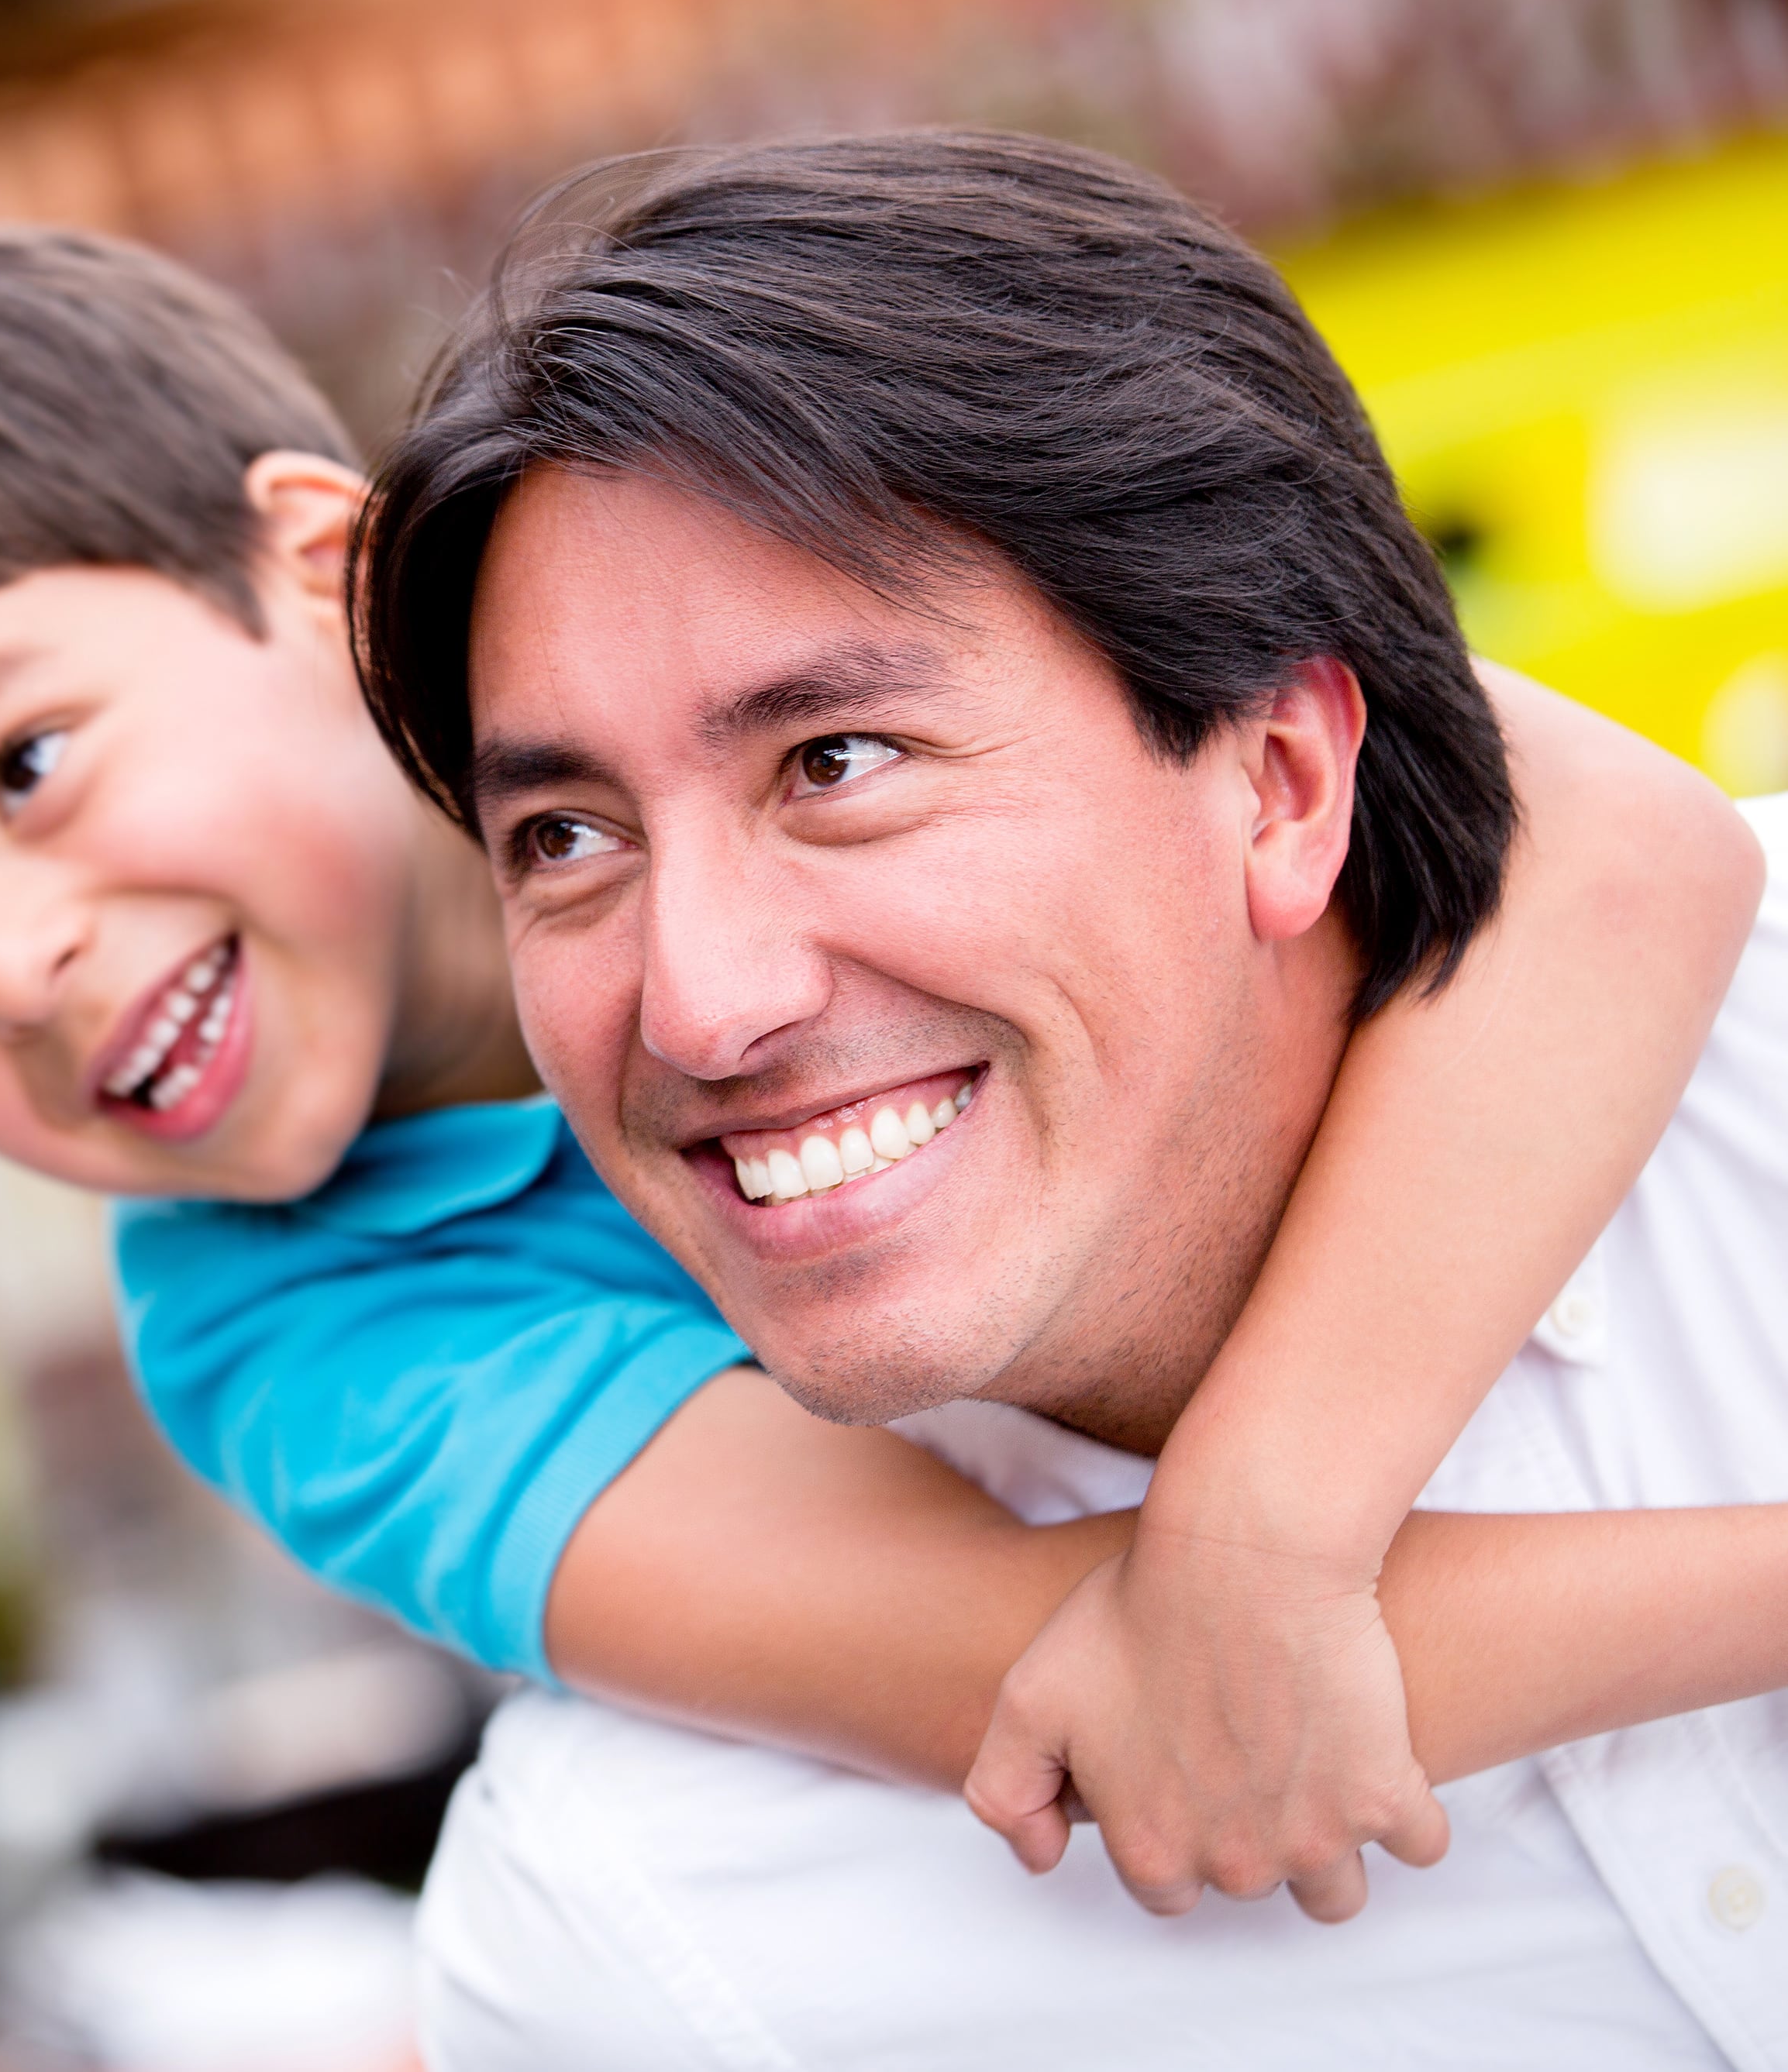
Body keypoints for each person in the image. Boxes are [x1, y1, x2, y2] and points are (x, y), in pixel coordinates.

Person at [0, 223, 1776, 1943]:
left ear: (329, 574)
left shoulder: (671, 540)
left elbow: (1600, 836)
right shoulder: (294, 1322)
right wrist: (1257, 1582)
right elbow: (1100, 1678)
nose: (14, 958)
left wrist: (1271, 1512)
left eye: (26, 762)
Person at [354, 129, 1788, 2063]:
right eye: (571, 835)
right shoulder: (649, 1935)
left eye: (838, 758)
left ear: (1278, 781)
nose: (698, 1007)